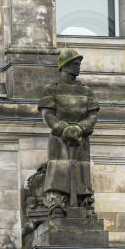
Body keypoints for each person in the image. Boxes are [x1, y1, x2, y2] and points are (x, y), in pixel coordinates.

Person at [38, 49, 100, 214]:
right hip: (59, 137)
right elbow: (48, 115)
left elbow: (92, 116)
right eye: (74, 64)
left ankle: (83, 200)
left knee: (81, 170)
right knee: (58, 167)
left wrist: (80, 128)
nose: (78, 67)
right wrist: (64, 129)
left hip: (81, 136)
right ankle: (57, 201)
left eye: (78, 64)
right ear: (64, 66)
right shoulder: (51, 90)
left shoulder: (87, 92)